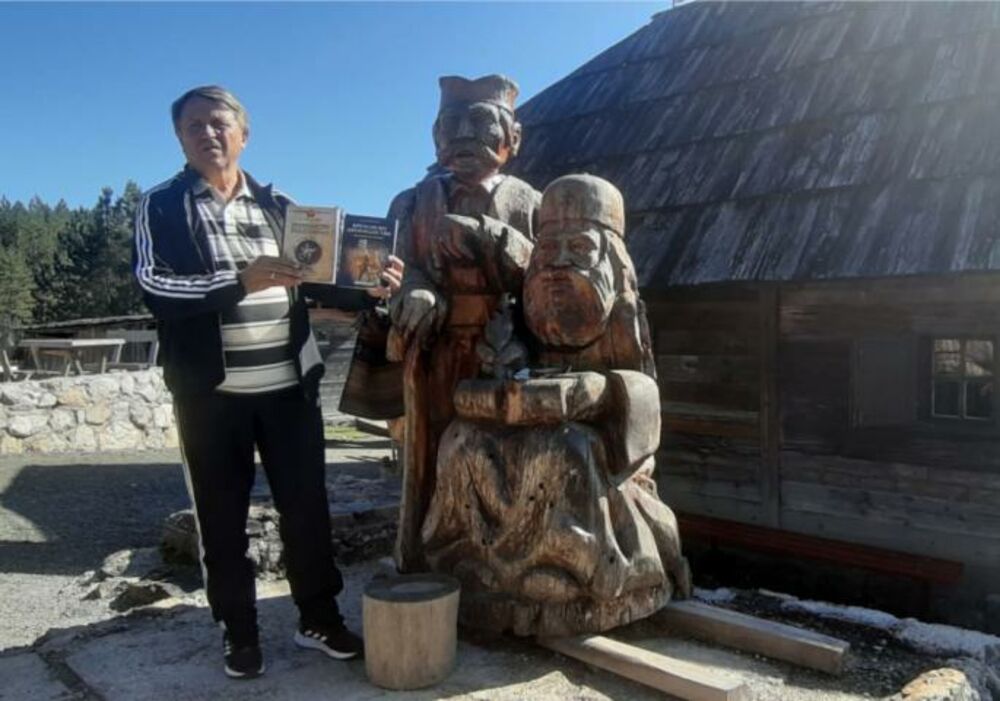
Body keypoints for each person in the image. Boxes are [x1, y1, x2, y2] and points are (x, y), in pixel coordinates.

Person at [132, 85, 402, 679]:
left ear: (244, 134)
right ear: (179, 138)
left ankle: (319, 619)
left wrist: (370, 285)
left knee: (307, 508)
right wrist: (241, 281)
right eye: (194, 125)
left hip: (289, 389)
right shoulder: (161, 206)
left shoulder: (281, 205)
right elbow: (155, 286)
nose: (208, 133)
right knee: (221, 519)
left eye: (219, 123)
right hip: (211, 395)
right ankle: (239, 631)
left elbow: (320, 279)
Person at [422, 174, 691, 636]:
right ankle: (474, 559)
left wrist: (600, 392)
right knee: (462, 440)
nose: (558, 264)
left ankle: (577, 571)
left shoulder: (621, 315)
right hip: (524, 432)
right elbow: (503, 370)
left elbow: (645, 394)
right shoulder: (524, 316)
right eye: (547, 251)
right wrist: (499, 386)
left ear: (612, 262)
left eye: (580, 250)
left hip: (596, 451)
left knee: (564, 450)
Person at [386, 74, 541, 570]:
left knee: (503, 454)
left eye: (480, 123)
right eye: (450, 125)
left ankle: (502, 561)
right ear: (435, 137)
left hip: (509, 352)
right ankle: (434, 556)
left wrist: (494, 238)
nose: (463, 137)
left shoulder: (531, 203)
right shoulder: (412, 203)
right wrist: (413, 289)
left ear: (513, 138)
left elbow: (548, 274)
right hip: (436, 355)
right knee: (434, 448)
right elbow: (394, 268)